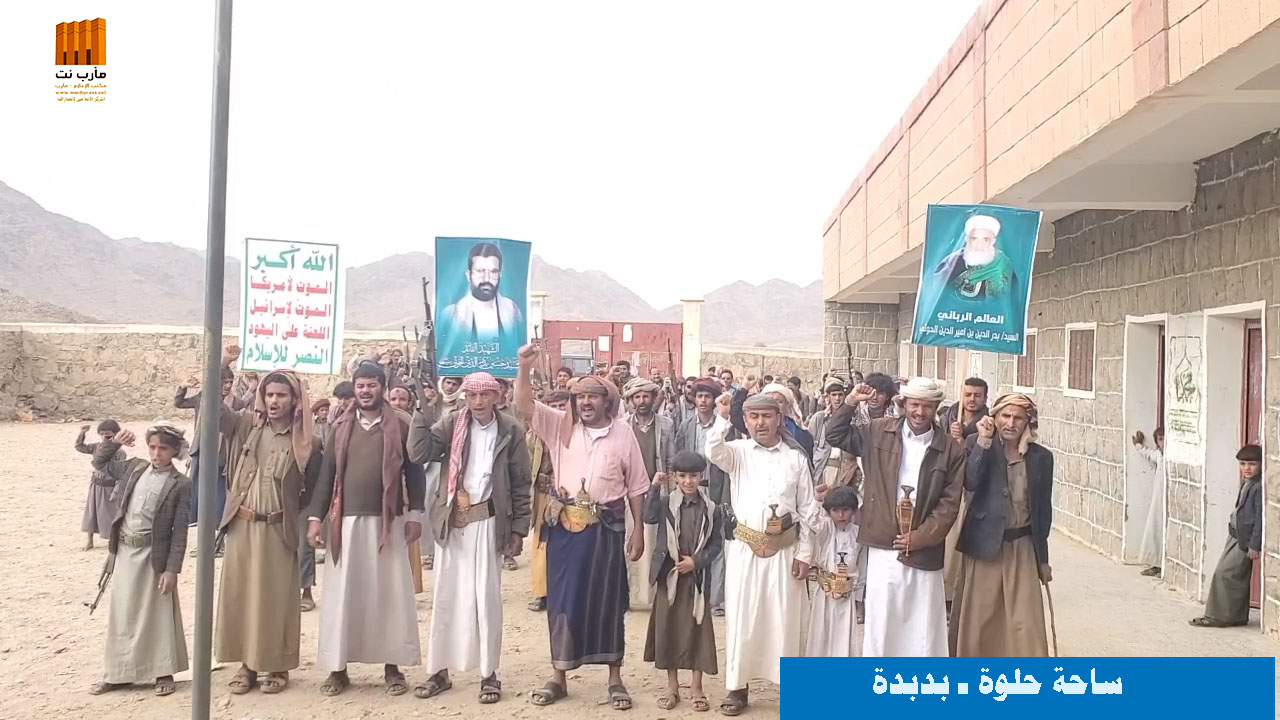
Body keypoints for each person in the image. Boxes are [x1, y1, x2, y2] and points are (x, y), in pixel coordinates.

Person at [514, 344, 649, 711]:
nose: (585, 402)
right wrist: (524, 367)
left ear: (607, 401)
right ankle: (558, 676)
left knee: (609, 601)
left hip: (607, 528)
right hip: (566, 529)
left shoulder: (623, 433)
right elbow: (524, 405)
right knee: (563, 600)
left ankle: (615, 678)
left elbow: (637, 486)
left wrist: (638, 529)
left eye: (593, 396)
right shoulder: (560, 426)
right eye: (579, 396)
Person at [407, 372, 532, 704]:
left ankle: (489, 674)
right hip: (453, 522)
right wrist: (421, 410)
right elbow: (419, 453)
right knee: (446, 598)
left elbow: (521, 482)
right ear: (465, 398)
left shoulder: (510, 430)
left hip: (489, 523)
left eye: (484, 395)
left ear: (496, 397)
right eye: (472, 396)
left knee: (485, 601)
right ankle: (439, 671)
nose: (478, 402)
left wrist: (519, 529)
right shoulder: (451, 424)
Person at [305, 363, 427, 697]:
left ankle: (392, 667)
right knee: (343, 597)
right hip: (346, 525)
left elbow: (415, 472)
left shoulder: (400, 425)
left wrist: (415, 514)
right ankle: (338, 669)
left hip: (389, 522)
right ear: (354, 388)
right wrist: (315, 518)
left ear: (382, 388)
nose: (365, 391)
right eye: (360, 385)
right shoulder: (340, 427)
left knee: (389, 596)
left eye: (371, 385)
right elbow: (327, 476)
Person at [824, 377, 964, 657]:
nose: (920, 412)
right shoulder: (878, 431)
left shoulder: (950, 449)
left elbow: (949, 504)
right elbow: (835, 435)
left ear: (936, 407)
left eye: (927, 406)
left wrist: (921, 537)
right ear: (904, 403)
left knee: (923, 623)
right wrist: (851, 402)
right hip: (884, 542)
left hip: (924, 548)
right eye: (914, 405)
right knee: (883, 620)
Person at [706, 392, 819, 716]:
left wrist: (805, 554)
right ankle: (737, 688)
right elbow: (712, 450)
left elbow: (808, 509)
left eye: (767, 416)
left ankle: (791, 689)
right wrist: (723, 416)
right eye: (754, 417)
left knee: (786, 620)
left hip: (784, 552)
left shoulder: (795, 458)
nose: (760, 423)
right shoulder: (737, 452)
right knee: (744, 618)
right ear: (745, 421)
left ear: (779, 418)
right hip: (745, 552)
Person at [215, 370, 323, 694]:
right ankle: (246, 665)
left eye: (282, 395)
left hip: (279, 530)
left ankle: (276, 665)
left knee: (276, 601)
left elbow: (312, 489)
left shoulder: (307, 441)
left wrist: (309, 523)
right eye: (270, 394)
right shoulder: (247, 425)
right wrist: (221, 368)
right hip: (243, 525)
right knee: (241, 596)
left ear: (295, 400)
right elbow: (215, 415)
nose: (274, 401)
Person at [89, 423, 191, 698]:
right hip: (125, 552)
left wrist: (172, 569)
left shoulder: (180, 484)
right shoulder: (134, 468)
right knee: (122, 614)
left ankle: (162, 671)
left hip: (153, 556)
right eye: (153, 447)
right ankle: (117, 673)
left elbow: (179, 531)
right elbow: (100, 463)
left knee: (156, 614)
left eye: (163, 448)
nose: (157, 453)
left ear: (174, 451)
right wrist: (115, 443)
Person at [949, 393, 1053, 656]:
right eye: (1005, 416)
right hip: (985, 544)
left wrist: (1043, 559)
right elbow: (970, 481)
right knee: (980, 620)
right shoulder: (976, 443)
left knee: (1025, 622)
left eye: (1018, 418)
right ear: (994, 418)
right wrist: (983, 441)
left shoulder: (1041, 457)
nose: (1011, 423)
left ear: (1028, 422)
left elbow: (1043, 511)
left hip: (1023, 547)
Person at [643, 450, 723, 713]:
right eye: (682, 476)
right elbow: (648, 517)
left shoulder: (711, 508)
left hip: (696, 579)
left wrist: (696, 562)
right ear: (674, 477)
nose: (688, 481)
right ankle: (672, 687)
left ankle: (697, 687)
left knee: (698, 629)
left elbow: (716, 545)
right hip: (670, 576)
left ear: (701, 477)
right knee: (669, 628)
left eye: (693, 476)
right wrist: (654, 487)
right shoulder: (666, 503)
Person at [672, 377, 731, 616]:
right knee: (691, 540)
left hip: (714, 489)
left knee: (716, 542)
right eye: (700, 396)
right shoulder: (687, 426)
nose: (703, 401)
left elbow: (728, 467)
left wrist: (725, 499)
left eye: (708, 396)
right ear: (694, 399)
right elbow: (677, 457)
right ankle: (689, 593)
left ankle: (716, 600)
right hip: (690, 489)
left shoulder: (725, 427)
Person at [1190, 445, 1263, 628]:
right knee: (1235, 576)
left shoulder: (1259, 487)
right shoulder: (1247, 482)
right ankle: (1235, 616)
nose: (1247, 468)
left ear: (1261, 464)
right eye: (1243, 464)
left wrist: (1254, 545)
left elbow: (1260, 519)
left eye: (1252, 464)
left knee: (1224, 574)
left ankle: (1219, 617)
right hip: (1234, 536)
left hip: (1244, 540)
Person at [622, 377, 674, 609]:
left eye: (646, 396)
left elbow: (671, 459)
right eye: (637, 397)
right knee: (630, 540)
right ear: (631, 400)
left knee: (654, 543)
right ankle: (629, 595)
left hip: (657, 492)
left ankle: (650, 596)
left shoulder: (666, 424)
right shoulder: (623, 425)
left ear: (653, 399)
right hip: (629, 493)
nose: (642, 401)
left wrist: (670, 490)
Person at [174, 364, 244, 530]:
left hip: (222, 453)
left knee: (219, 489)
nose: (227, 385)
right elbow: (179, 403)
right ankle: (197, 521)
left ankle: (218, 525)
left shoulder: (237, 403)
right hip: (202, 448)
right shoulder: (203, 398)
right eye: (224, 381)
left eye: (230, 381)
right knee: (197, 487)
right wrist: (183, 387)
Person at [942, 376, 990, 608]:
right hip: (945, 487)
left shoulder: (988, 424)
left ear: (985, 398)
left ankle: (955, 596)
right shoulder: (948, 417)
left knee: (958, 547)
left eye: (977, 395)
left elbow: (978, 463)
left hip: (971, 492)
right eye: (968, 394)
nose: (972, 399)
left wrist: (962, 441)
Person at [525, 390, 570, 612]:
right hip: (543, 495)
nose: (558, 411)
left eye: (563, 406)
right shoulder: (535, 433)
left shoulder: (578, 433)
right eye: (554, 406)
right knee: (541, 543)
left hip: (569, 497)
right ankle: (541, 592)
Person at [806, 484, 863, 657]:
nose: (840, 515)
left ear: (853, 511)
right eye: (835, 510)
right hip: (825, 592)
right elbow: (811, 520)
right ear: (829, 512)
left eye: (845, 510)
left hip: (847, 595)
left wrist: (859, 599)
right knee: (820, 635)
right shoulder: (826, 528)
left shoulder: (858, 534)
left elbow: (862, 568)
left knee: (844, 637)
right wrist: (817, 499)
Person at [440, 242, 525, 352]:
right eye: (480, 271)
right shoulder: (450, 315)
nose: (487, 279)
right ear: (468, 275)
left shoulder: (513, 311)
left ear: (500, 275)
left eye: (493, 272)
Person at [931, 214, 1017, 301]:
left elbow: (1013, 298)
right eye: (974, 239)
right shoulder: (952, 262)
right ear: (966, 239)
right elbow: (936, 295)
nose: (980, 245)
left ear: (993, 241)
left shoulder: (1002, 264)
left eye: (986, 240)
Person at [76, 419, 125, 550]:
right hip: (95, 484)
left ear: (116, 434)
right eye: (102, 434)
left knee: (109, 514)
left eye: (108, 435)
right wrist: (82, 433)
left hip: (109, 486)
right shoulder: (97, 447)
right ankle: (89, 541)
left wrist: (116, 490)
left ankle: (112, 541)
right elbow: (80, 447)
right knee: (91, 512)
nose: (104, 437)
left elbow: (121, 473)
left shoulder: (119, 452)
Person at [807, 379, 858, 490]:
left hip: (846, 469)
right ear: (828, 397)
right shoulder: (819, 418)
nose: (837, 398)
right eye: (834, 395)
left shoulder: (853, 420)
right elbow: (810, 445)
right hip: (823, 467)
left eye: (840, 395)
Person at [1133, 427, 1166, 577]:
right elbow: (1147, 454)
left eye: (1165, 438)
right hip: (1158, 499)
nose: (1163, 442)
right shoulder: (1159, 455)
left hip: (1168, 499)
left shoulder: (1171, 456)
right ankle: (1156, 564)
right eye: (1160, 439)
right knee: (1155, 529)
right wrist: (1138, 445)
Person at [761, 382, 814, 463]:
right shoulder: (756, 428)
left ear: (788, 405)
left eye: (779, 401)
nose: (774, 405)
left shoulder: (800, 433)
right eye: (769, 401)